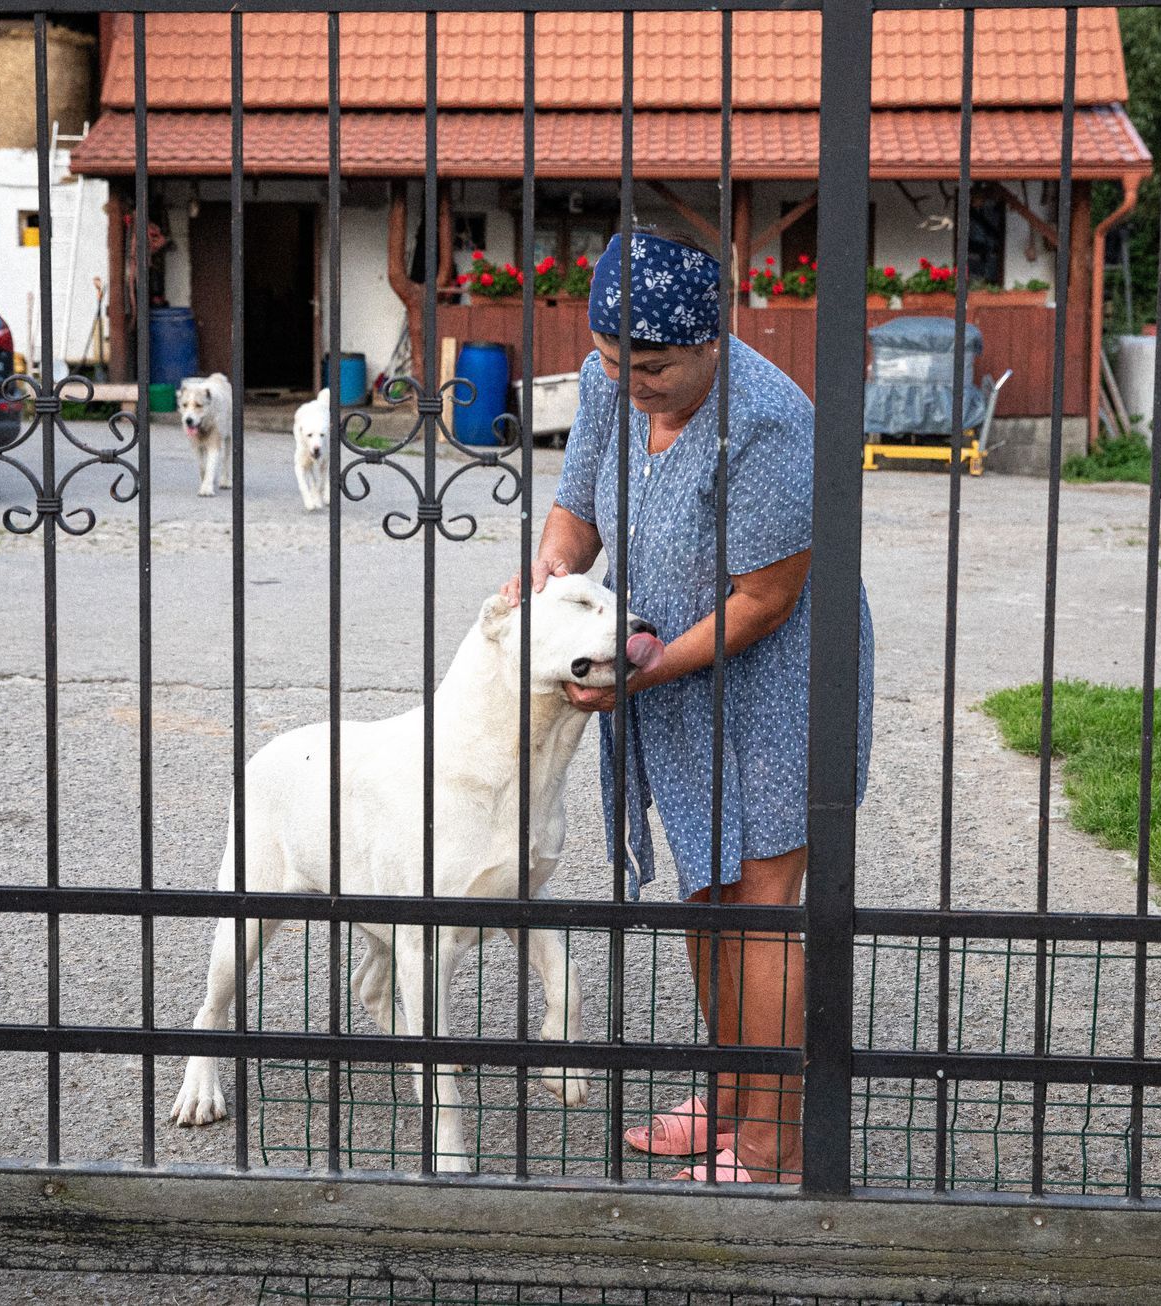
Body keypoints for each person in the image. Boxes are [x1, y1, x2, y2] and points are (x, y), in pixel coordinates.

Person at [500, 227, 874, 1182]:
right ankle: (734, 1088)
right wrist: (551, 577)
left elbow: (763, 600)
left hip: (775, 680)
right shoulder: (605, 383)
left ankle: (773, 1144)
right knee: (703, 893)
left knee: (758, 899)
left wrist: (645, 671)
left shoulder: (770, 425)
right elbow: (577, 512)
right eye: (615, 360)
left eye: (657, 366)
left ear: (716, 340)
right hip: (661, 661)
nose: (634, 382)